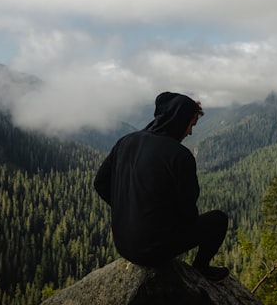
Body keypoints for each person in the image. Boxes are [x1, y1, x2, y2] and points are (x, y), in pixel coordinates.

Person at [94, 91, 230, 281]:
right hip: (153, 251)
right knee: (218, 220)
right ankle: (201, 268)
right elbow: (188, 213)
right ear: (179, 120)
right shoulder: (179, 156)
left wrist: (128, 209)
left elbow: (100, 183)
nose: (190, 132)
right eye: (191, 125)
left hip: (123, 244)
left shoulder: (125, 141)